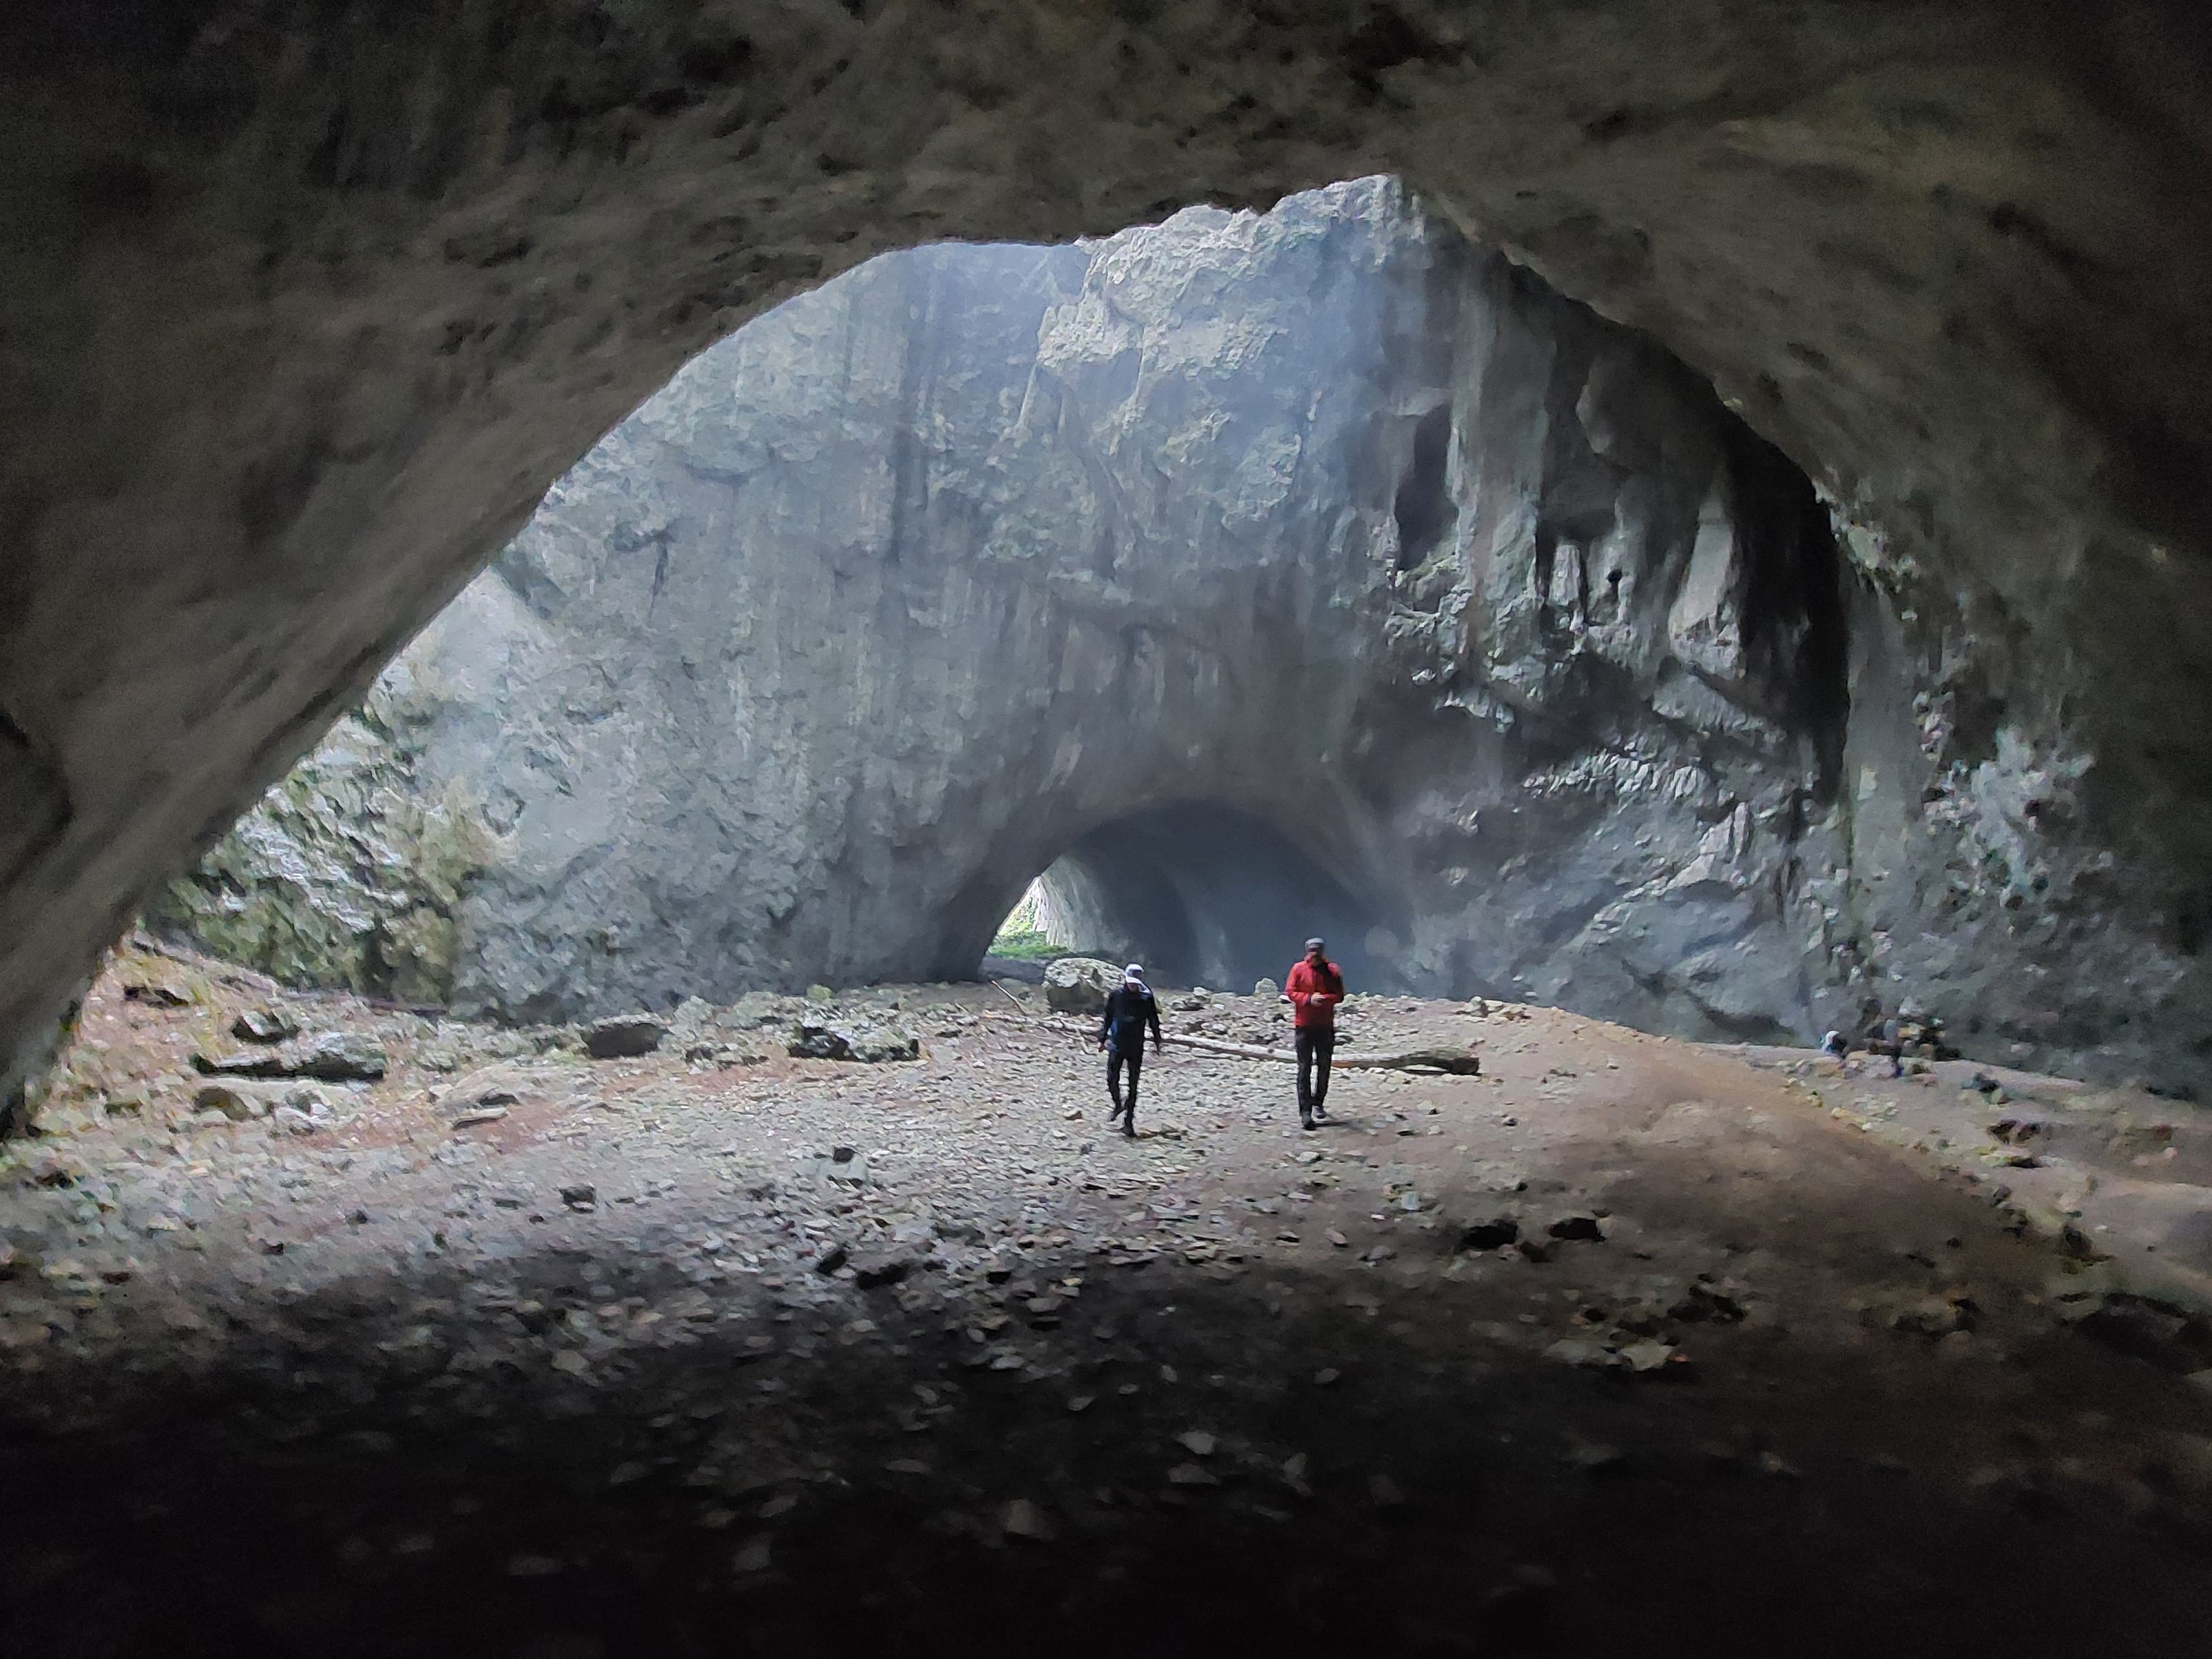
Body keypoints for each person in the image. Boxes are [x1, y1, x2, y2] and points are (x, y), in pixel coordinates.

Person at [1284, 937, 1344, 1130]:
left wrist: (1324, 999)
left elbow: (1340, 995)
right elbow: (1290, 992)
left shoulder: (1332, 970)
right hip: (1304, 1025)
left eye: (1317, 952)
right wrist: (1309, 999)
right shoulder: (1298, 969)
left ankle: (1318, 1102)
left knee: (1324, 1066)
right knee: (1304, 1069)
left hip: (1325, 1026)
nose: (1314, 955)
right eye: (1312, 952)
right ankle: (1305, 1111)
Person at [1096, 963, 1163, 1136]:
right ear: (1125, 980)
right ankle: (1118, 1104)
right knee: (1112, 1079)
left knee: (1133, 1085)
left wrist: (1158, 1042)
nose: (1133, 985)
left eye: (1135, 983)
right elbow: (1108, 1017)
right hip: (1117, 1044)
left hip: (1136, 1046)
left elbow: (1153, 1020)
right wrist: (1102, 1039)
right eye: (1130, 982)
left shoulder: (1146, 998)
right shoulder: (1116, 996)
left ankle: (1129, 1122)